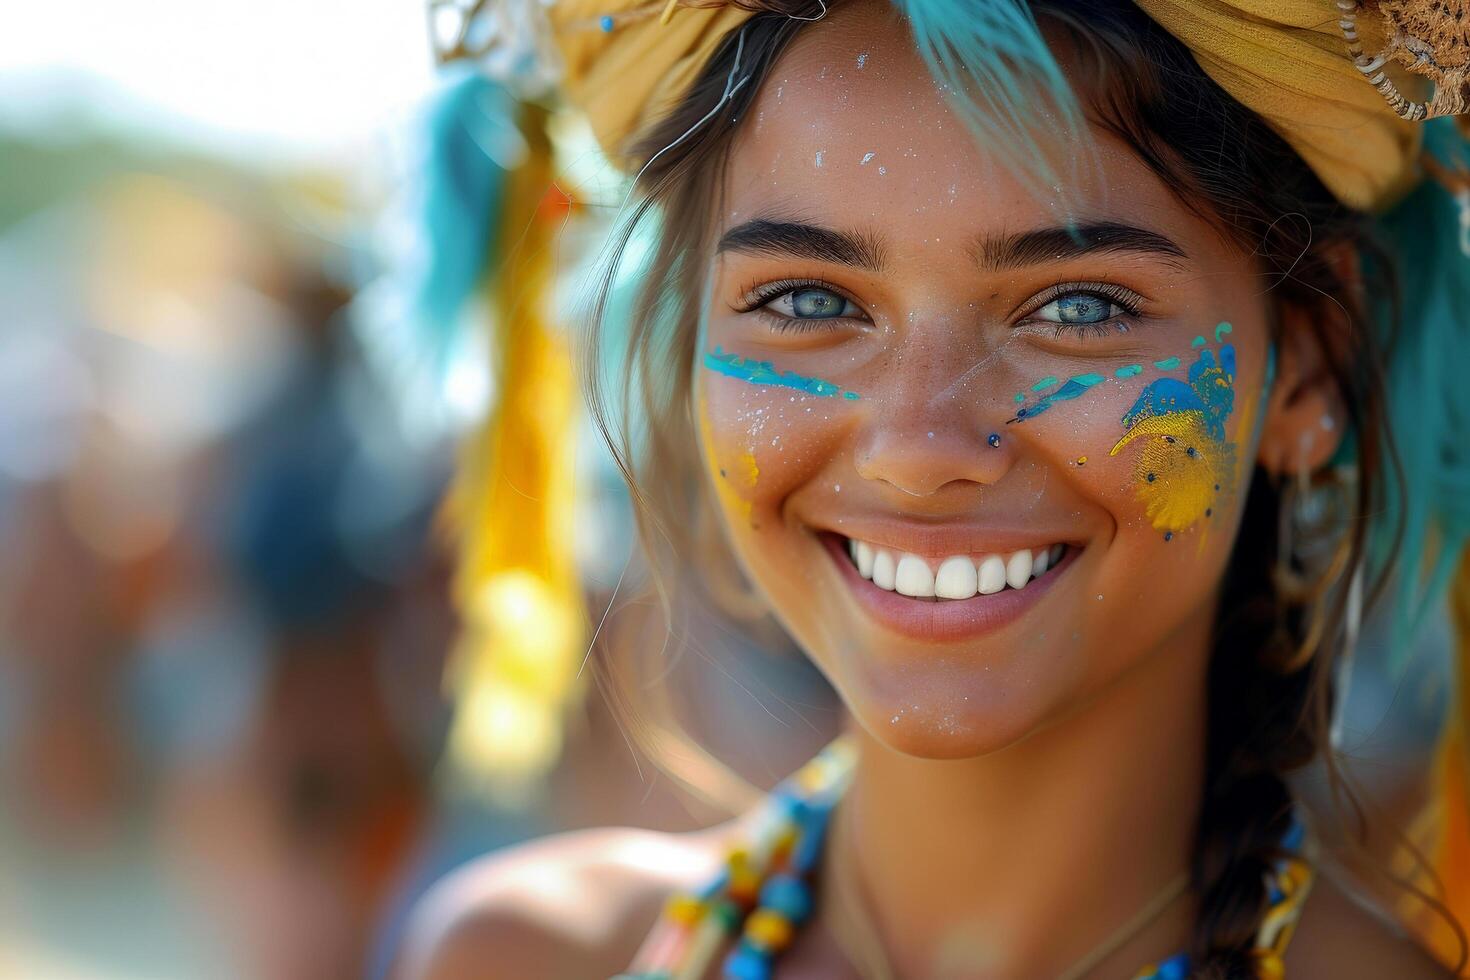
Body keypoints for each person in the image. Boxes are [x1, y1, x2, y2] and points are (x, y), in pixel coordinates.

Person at [396, 0, 1470, 975]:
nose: (919, 444)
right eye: (808, 298)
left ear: (1313, 362)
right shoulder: (525, 956)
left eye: (1081, 308)